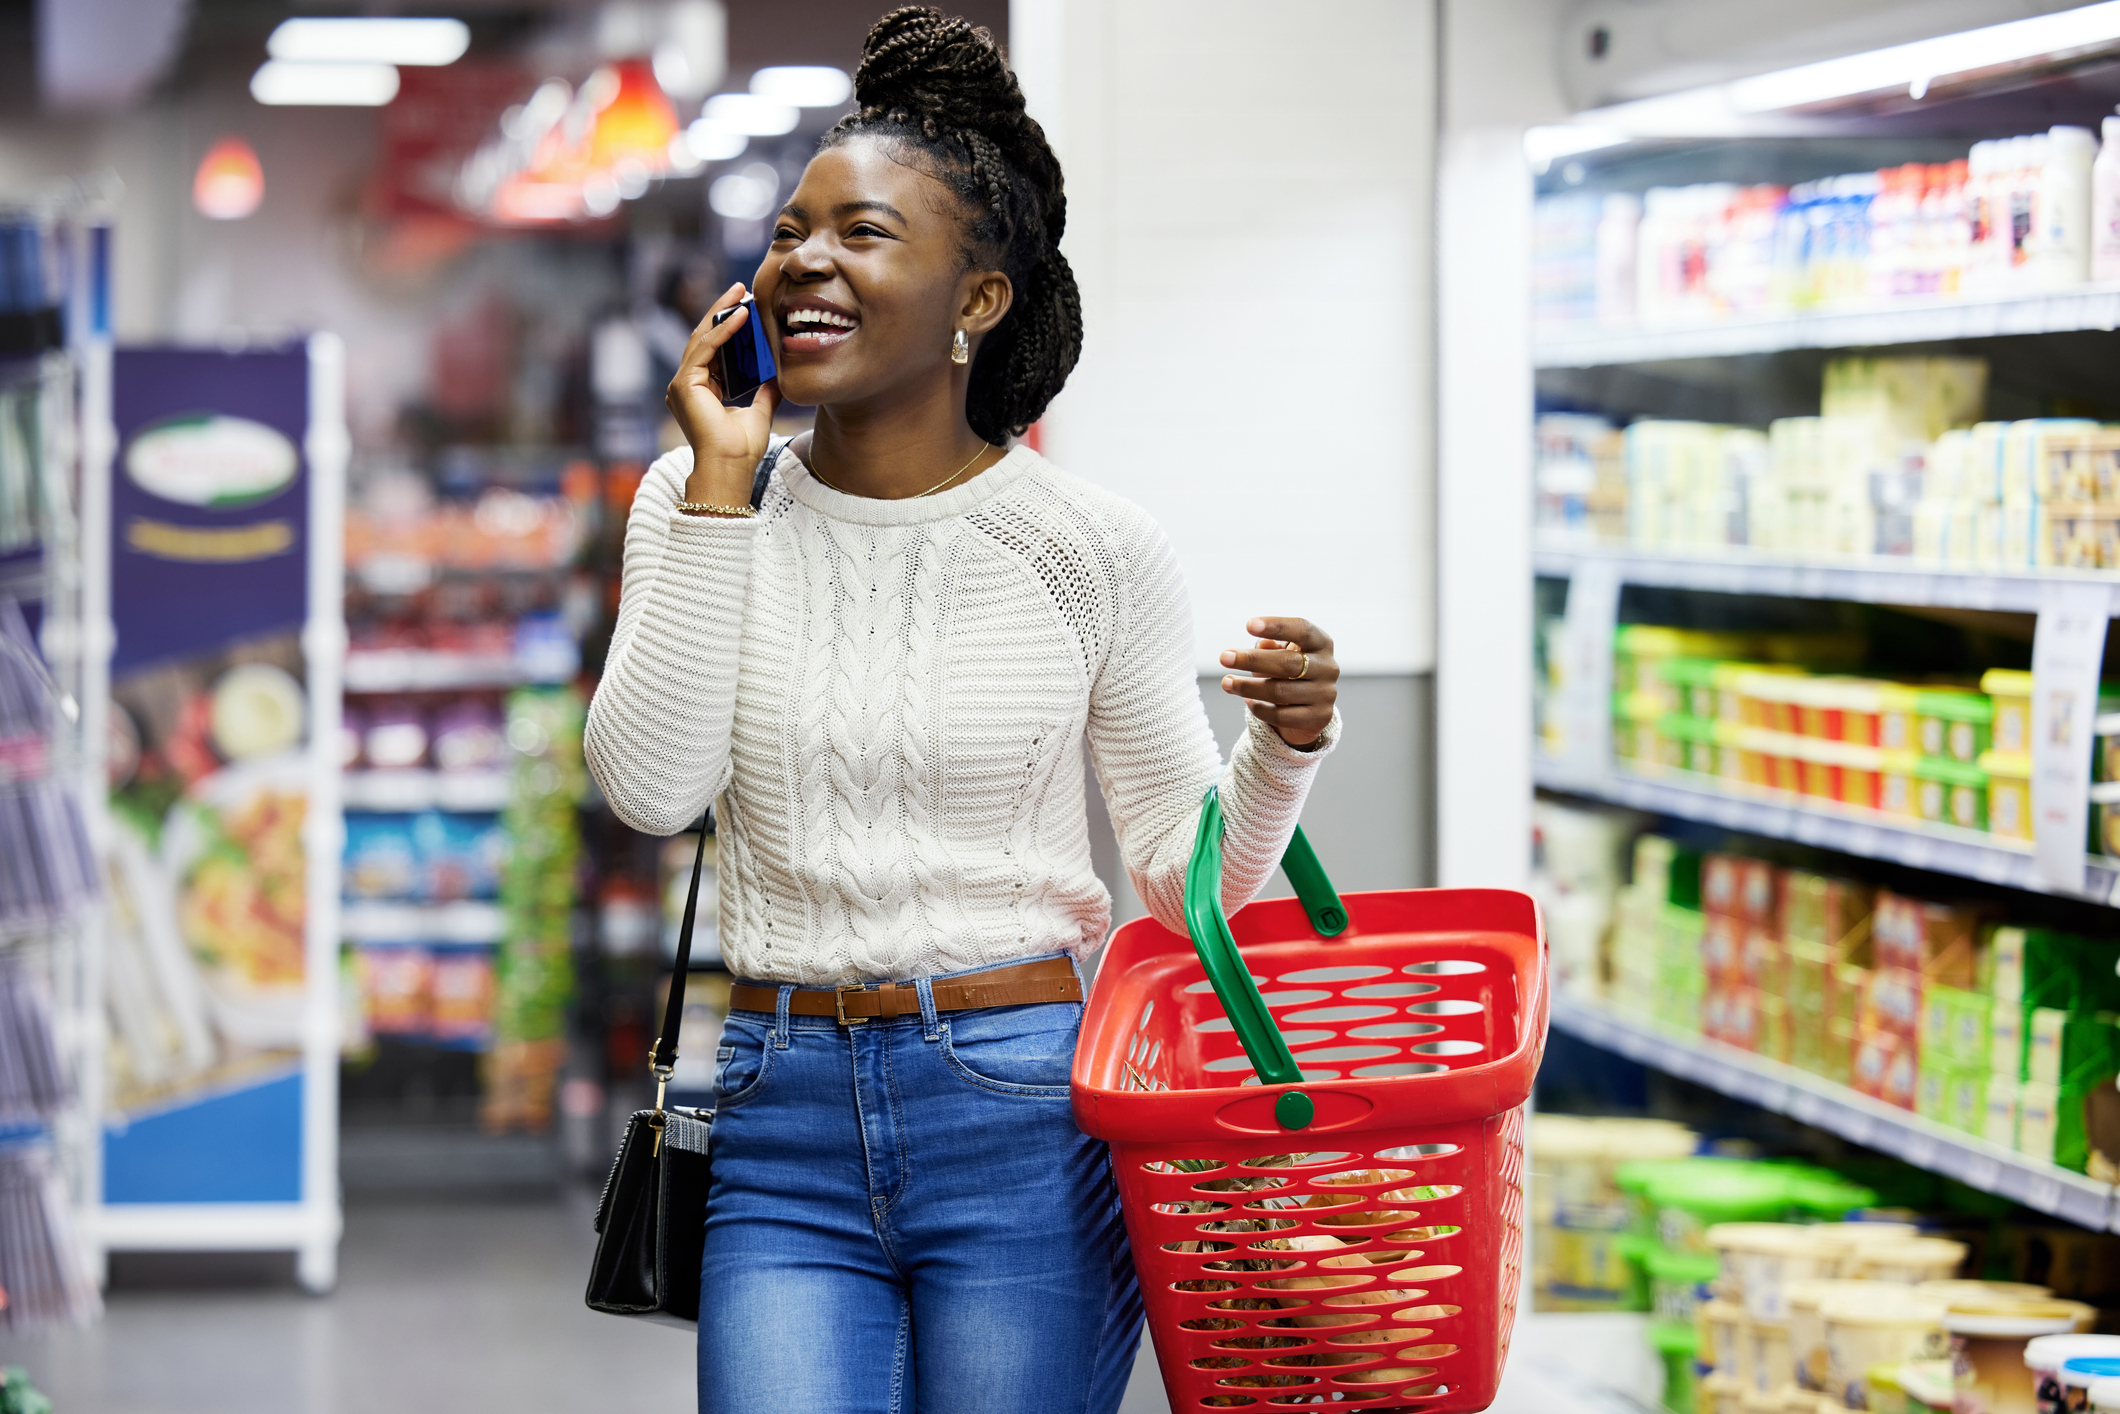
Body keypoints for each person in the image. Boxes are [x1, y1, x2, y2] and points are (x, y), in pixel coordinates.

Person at [582, 8, 1342, 1410]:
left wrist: (1283, 752)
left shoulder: (1091, 545)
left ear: (977, 299)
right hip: (774, 1100)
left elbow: (1182, 880)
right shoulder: (700, 501)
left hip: (1024, 1104)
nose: (804, 260)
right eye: (791, 231)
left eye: (861, 233)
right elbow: (650, 786)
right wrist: (724, 489)